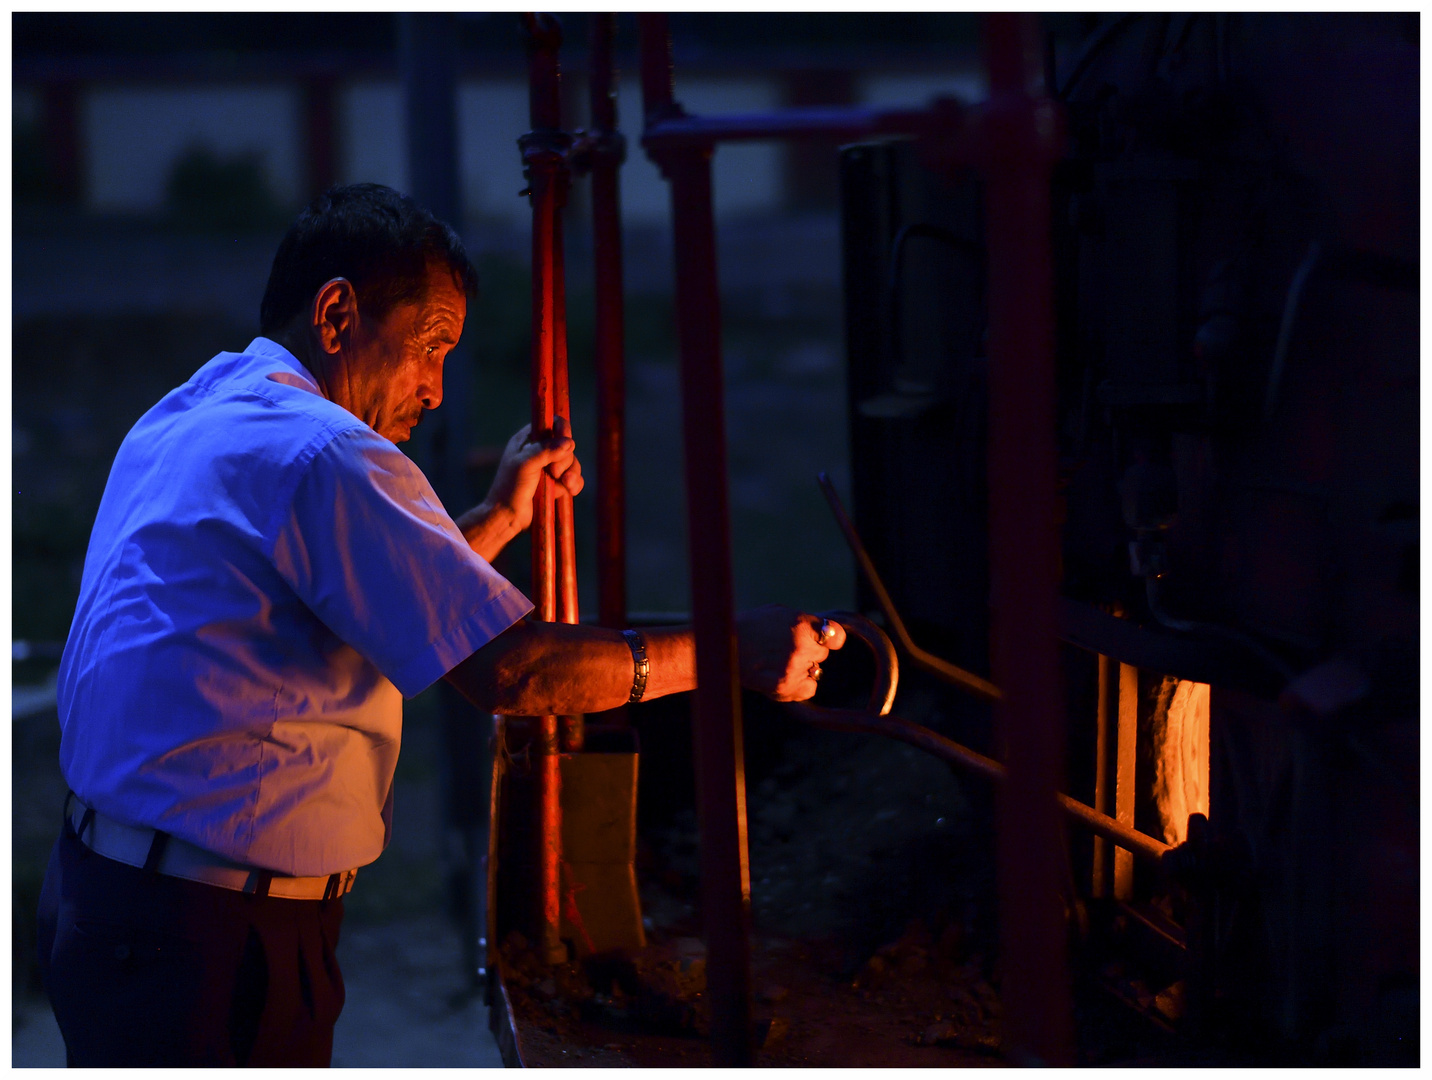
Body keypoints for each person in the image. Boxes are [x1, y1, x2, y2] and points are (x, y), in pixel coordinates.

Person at [37, 183, 845, 1067]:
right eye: (430, 346)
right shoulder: (325, 450)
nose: (434, 386)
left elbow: (364, 595)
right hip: (206, 939)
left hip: (116, 901)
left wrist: (500, 516)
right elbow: (514, 672)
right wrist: (731, 653)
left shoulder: (195, 413)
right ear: (337, 313)